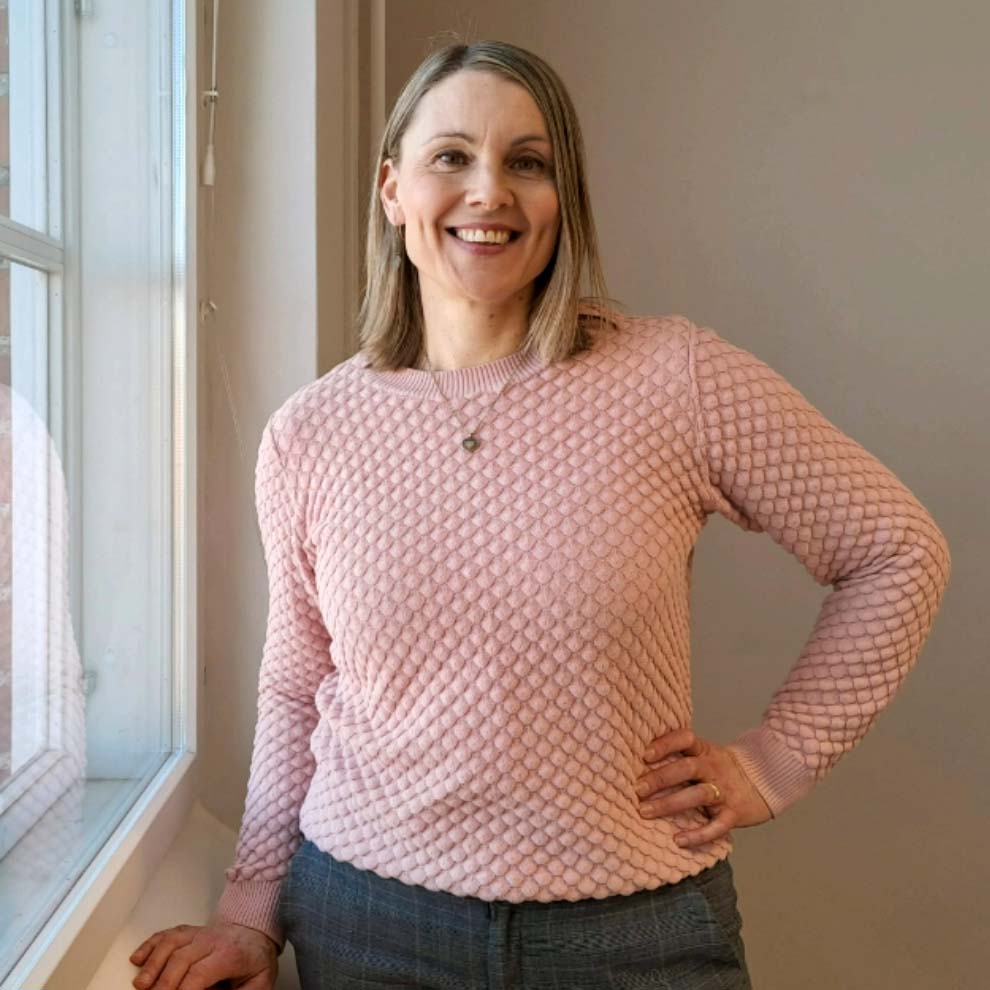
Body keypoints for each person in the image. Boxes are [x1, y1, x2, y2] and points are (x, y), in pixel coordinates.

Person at [129, 39, 951, 990]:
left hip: (637, 935)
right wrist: (248, 913)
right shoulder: (311, 432)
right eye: (452, 157)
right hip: (367, 927)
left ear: (564, 200)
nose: (490, 191)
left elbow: (898, 550)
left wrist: (775, 762)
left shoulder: (673, 377)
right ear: (393, 189)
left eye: (528, 162)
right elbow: (295, 686)